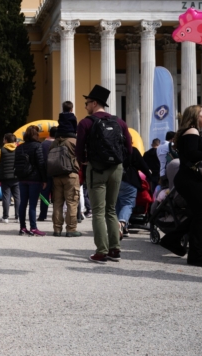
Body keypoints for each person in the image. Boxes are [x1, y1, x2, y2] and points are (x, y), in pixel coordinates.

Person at [159, 105, 202, 268]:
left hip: (188, 179)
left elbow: (191, 157)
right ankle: (195, 254)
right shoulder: (192, 131)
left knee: (197, 214)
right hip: (190, 180)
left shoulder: (189, 132)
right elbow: (192, 154)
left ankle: (172, 240)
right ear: (195, 116)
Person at [76, 85, 132, 264]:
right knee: (111, 209)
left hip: (96, 169)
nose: (85, 106)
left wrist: (83, 161)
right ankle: (115, 249)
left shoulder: (86, 122)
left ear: (94, 103)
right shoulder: (119, 122)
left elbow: (79, 149)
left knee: (98, 211)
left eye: (87, 103)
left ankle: (101, 251)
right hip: (116, 168)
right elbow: (129, 147)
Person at [14, 125, 47, 236]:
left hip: (22, 178)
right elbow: (41, 163)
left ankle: (22, 227)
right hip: (35, 178)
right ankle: (33, 227)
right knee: (32, 204)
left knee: (23, 203)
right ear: (36, 135)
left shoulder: (19, 147)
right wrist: (44, 179)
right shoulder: (38, 146)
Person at [50, 126, 81, 237]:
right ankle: (71, 229)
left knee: (57, 203)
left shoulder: (54, 143)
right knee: (71, 202)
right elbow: (82, 155)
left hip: (57, 175)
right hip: (71, 175)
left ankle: (57, 229)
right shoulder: (73, 141)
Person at [117, 147, 151, 239]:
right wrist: (150, 176)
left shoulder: (112, 147)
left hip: (113, 179)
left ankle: (123, 229)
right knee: (127, 204)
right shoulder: (132, 150)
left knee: (117, 204)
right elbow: (143, 165)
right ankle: (121, 223)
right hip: (129, 179)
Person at [0, 133, 20, 224]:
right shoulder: (18, 149)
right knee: (17, 197)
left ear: (6, 140)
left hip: (5, 177)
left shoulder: (1, 150)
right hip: (16, 176)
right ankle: (18, 216)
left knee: (6, 197)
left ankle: (5, 217)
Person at [38, 126, 56, 222]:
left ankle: (42, 215)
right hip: (57, 172)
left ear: (49, 133)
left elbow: (40, 159)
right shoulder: (59, 143)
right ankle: (56, 215)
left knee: (44, 195)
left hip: (45, 173)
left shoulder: (43, 144)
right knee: (57, 196)